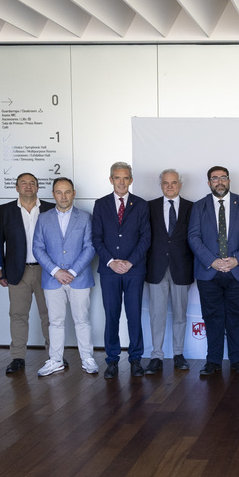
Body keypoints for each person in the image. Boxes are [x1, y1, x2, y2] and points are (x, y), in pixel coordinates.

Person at [189, 166, 239, 377]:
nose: (220, 182)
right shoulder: (199, 206)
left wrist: (237, 260)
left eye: (223, 178)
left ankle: (238, 360)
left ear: (229, 180)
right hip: (209, 272)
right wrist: (213, 261)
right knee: (212, 317)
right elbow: (193, 237)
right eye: (215, 178)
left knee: (238, 318)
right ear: (209, 183)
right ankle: (213, 361)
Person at [32, 177, 99, 376]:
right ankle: (55, 360)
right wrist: (56, 271)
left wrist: (72, 272)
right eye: (59, 192)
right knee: (55, 322)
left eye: (67, 191)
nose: (63, 196)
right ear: (53, 194)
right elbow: (38, 247)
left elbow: (90, 246)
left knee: (82, 320)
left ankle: (87, 358)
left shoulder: (85, 217)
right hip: (52, 279)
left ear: (74, 193)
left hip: (79, 278)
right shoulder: (43, 218)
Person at [92, 162, 151, 379]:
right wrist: (111, 262)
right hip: (109, 272)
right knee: (112, 316)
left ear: (131, 180)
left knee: (134, 316)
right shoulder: (100, 204)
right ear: (111, 180)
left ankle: (136, 359)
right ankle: (112, 360)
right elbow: (96, 238)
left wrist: (129, 262)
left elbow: (146, 238)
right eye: (117, 178)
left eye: (125, 178)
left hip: (134, 271)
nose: (121, 182)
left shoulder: (141, 205)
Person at [0, 173, 55, 374]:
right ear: (16, 187)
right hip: (16, 271)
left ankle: (54, 354)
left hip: (46, 270)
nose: (28, 186)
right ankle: (18, 357)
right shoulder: (4, 211)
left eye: (32, 183)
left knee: (49, 315)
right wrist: (0, 270)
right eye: (23, 183)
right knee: (18, 315)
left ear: (38, 187)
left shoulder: (50, 208)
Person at [145, 169, 194, 374]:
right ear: (161, 185)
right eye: (166, 183)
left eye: (174, 183)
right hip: (156, 268)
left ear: (180, 185)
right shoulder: (149, 207)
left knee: (180, 314)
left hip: (181, 268)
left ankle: (178, 354)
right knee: (157, 314)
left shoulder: (192, 207)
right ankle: (156, 355)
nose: (170, 186)